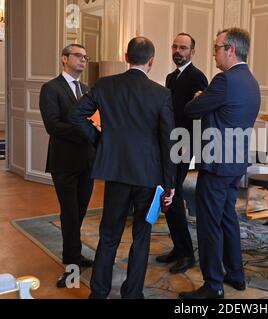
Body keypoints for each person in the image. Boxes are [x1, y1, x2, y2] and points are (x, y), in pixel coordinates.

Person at [69, 37, 176, 299]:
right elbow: (168, 140)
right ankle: (132, 294)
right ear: (151, 61)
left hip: (116, 174)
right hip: (149, 178)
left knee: (109, 235)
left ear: (126, 57)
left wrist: (100, 140)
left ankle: (99, 292)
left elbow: (75, 115)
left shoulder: (105, 85)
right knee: (142, 235)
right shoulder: (161, 94)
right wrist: (170, 184)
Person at [179, 28, 260, 299]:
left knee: (209, 224)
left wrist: (199, 98)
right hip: (235, 164)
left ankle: (213, 285)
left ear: (231, 50)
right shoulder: (251, 80)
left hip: (216, 165)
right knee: (228, 218)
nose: (214, 53)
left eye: (217, 48)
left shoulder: (224, 80)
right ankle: (236, 274)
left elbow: (192, 110)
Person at [39, 44, 97, 288]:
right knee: (70, 214)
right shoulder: (51, 88)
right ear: (64, 59)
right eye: (78, 56)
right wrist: (86, 130)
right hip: (63, 161)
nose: (83, 60)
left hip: (87, 160)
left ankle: (73, 254)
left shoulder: (86, 89)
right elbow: (53, 125)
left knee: (80, 212)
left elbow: (94, 119)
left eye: (85, 57)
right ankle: (71, 262)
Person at [155, 33, 208, 274]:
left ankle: (187, 253)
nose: (178, 50)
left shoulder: (198, 77)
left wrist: (189, 146)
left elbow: (200, 115)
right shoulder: (170, 77)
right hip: (169, 145)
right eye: (175, 46)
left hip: (183, 146)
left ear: (192, 52)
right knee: (168, 197)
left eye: (184, 47)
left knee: (173, 197)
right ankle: (178, 247)